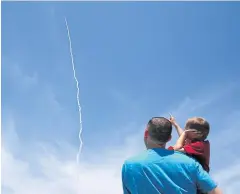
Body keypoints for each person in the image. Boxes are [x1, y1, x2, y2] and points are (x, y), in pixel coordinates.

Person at [122, 117, 222, 194]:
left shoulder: (129, 165)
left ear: (146, 133)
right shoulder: (191, 163)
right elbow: (215, 191)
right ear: (169, 138)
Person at [169, 116, 211, 194]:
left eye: (187, 130)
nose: (185, 131)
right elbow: (183, 136)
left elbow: (177, 149)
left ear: (194, 133)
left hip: (199, 187)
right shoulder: (197, 142)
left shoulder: (200, 145)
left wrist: (184, 134)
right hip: (195, 183)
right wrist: (175, 124)